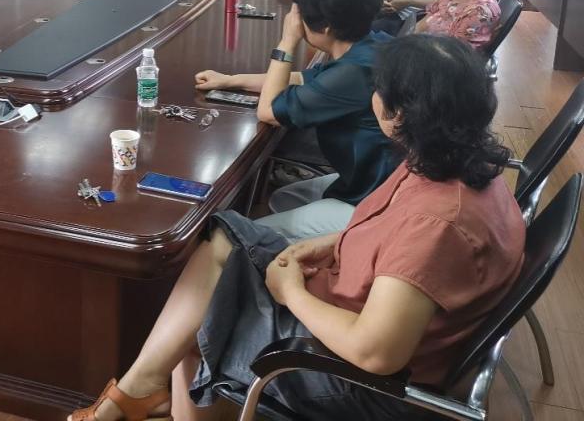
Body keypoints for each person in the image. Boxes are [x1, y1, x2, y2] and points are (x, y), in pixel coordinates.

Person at [69, 35, 525, 421]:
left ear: (399, 115)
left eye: (378, 88)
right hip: (345, 298)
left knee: (201, 321)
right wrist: (329, 243)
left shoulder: (437, 223)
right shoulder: (455, 162)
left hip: (349, 375)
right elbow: (394, 236)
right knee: (223, 233)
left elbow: (375, 354)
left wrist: (292, 294)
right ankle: (143, 387)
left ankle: (137, 394)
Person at [195, 0, 394, 241]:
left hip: (377, 203)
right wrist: (230, 80)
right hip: (372, 179)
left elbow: (268, 111)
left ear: (325, 27)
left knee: (239, 236)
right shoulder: (372, 45)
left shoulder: (353, 73)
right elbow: (301, 78)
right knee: (283, 198)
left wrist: (287, 41)